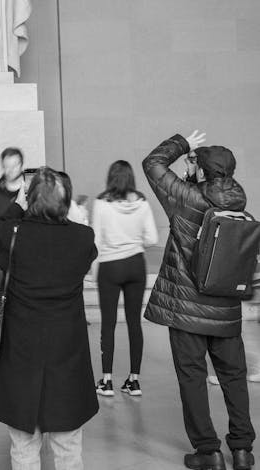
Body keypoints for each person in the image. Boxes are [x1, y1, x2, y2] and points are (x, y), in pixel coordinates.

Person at [0, 167, 98, 470]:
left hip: (21, 349)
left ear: (31, 199)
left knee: (24, 443)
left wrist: (17, 205)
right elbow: (86, 256)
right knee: (68, 444)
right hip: (66, 350)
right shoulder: (82, 237)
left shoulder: (12, 234)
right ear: (65, 201)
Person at [143, 131, 256, 470]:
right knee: (233, 377)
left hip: (187, 311)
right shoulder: (239, 205)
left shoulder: (186, 199)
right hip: (225, 309)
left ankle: (208, 451)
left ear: (203, 172)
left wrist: (183, 145)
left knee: (192, 377)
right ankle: (242, 449)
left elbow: (153, 163)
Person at [90, 160, 158, 397]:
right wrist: (134, 241)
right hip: (136, 265)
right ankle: (134, 381)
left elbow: (96, 240)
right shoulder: (141, 202)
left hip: (110, 265)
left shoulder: (101, 203)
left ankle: (107, 381)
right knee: (134, 323)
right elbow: (152, 238)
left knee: (108, 323)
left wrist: (93, 269)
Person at [0, 147, 25, 228]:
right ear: (2, 166)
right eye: (7, 166)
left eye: (15, 166)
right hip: (2, 238)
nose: (11, 170)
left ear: (21, 165)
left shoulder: (33, 188)